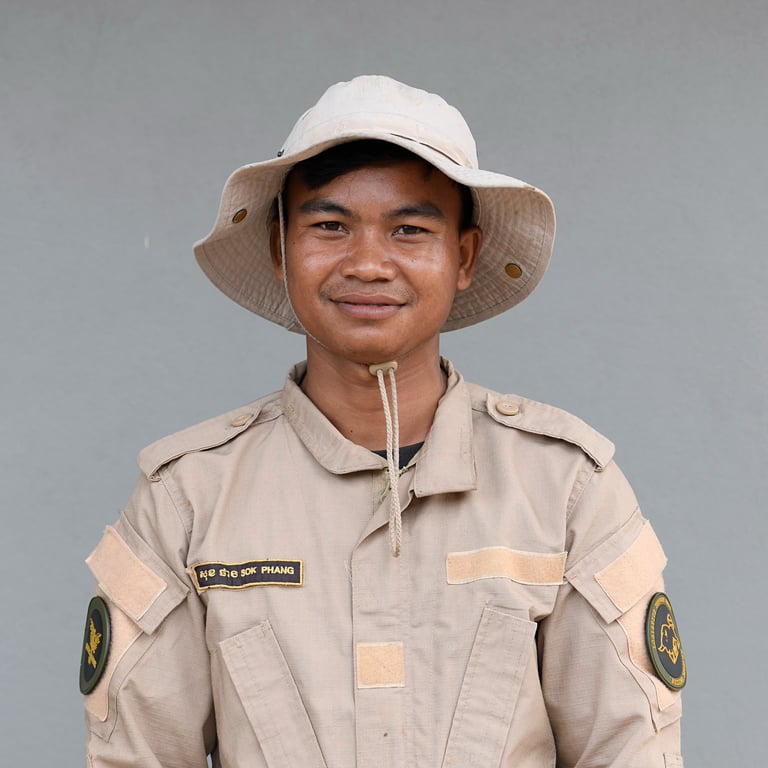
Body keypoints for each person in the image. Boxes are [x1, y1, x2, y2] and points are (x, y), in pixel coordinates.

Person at [80, 75, 685, 767]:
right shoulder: (186, 498)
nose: (368, 264)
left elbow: (630, 752)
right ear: (280, 251)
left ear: (463, 257)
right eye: (329, 226)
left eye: (410, 230)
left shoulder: (567, 489)